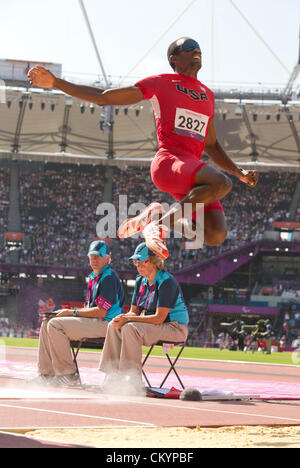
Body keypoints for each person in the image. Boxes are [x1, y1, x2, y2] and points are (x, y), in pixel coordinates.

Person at [28, 37, 258, 260]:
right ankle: (159, 226)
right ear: (174, 59)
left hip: (191, 173)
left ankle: (157, 216)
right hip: (169, 163)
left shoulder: (208, 95)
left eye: (198, 48)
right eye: (189, 48)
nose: (196, 50)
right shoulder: (162, 82)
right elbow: (103, 97)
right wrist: (56, 83)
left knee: (215, 234)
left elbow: (211, 144)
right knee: (222, 183)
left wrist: (240, 173)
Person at [98, 242, 189, 395]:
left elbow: (159, 318)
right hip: (153, 326)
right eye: (136, 262)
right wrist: (123, 317)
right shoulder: (140, 280)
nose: (138, 265)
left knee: (129, 327)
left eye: (142, 261)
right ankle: (112, 375)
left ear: (155, 261)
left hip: (175, 328)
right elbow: (134, 312)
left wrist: (128, 320)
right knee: (114, 325)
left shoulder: (166, 282)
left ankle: (132, 380)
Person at [31, 240, 125, 387]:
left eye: (98, 256)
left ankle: (68, 375)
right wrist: (68, 313)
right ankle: (47, 374)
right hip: (97, 322)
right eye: (92, 256)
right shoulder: (95, 277)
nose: (94, 260)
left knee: (55, 325)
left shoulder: (109, 277)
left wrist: (71, 312)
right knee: (46, 322)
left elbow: (101, 312)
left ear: (107, 258)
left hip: (108, 323)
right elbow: (90, 309)